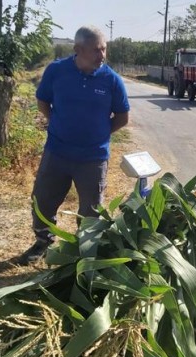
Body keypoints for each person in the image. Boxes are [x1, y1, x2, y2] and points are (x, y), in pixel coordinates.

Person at [16, 26, 130, 265]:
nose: (102, 56)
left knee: (91, 210)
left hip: (93, 158)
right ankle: (43, 242)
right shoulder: (57, 71)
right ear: (78, 50)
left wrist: (97, 135)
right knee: (43, 200)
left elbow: (122, 118)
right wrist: (58, 125)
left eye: (104, 49)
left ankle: (84, 250)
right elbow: (43, 101)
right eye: (96, 50)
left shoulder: (112, 80)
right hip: (57, 152)